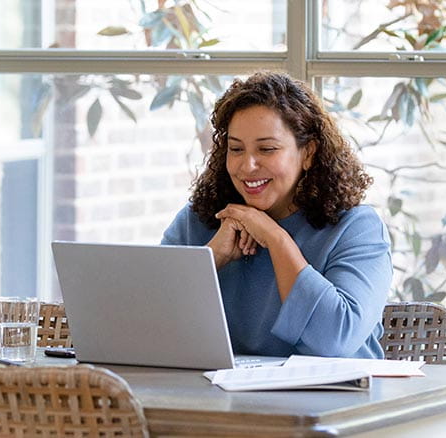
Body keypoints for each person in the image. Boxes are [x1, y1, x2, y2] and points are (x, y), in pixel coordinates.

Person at [161, 71, 392, 358]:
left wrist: (276, 239)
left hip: (335, 400)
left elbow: (336, 339)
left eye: (267, 149)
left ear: (308, 152)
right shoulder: (200, 221)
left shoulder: (357, 229)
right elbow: (146, 323)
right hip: (217, 400)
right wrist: (211, 258)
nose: (247, 166)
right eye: (236, 149)